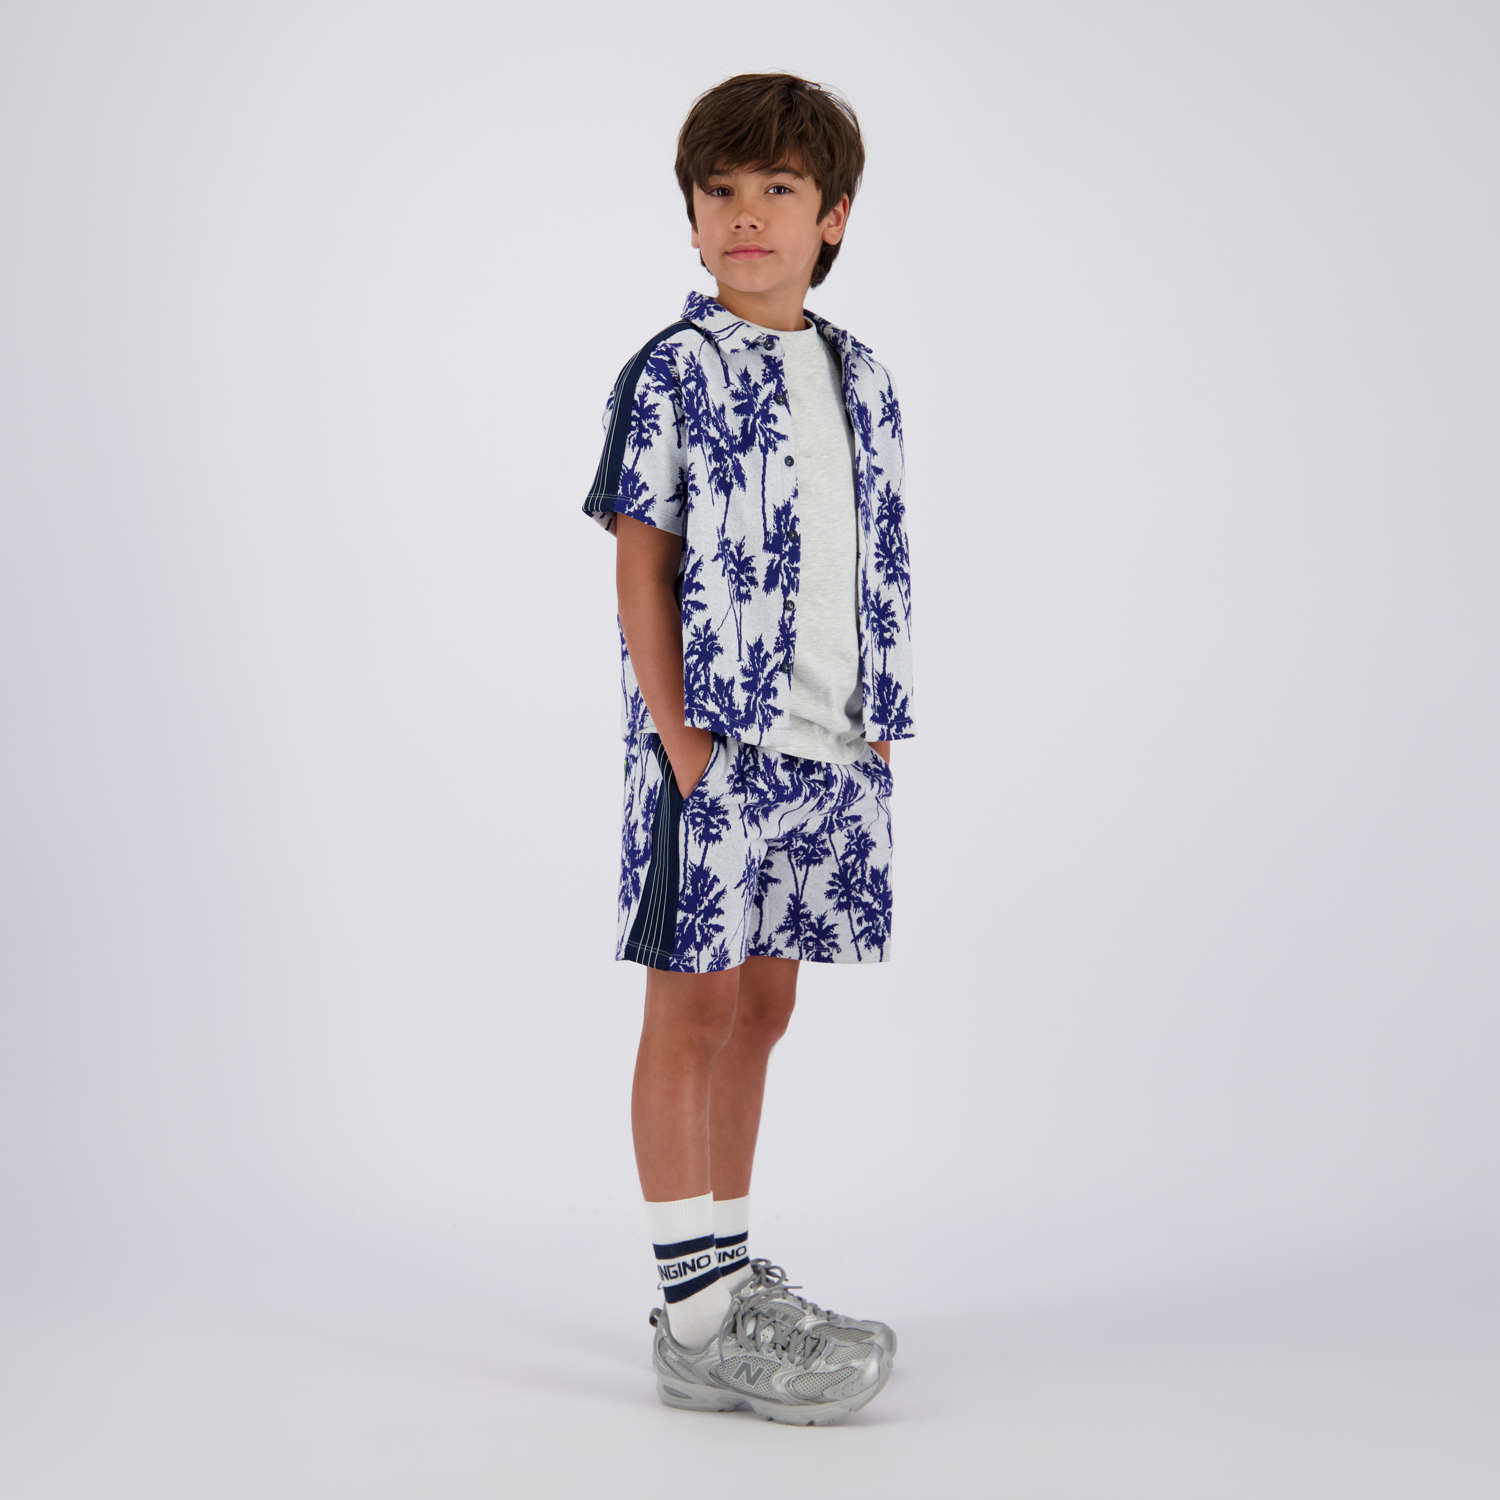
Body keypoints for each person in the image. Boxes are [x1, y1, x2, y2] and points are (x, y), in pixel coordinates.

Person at [581, 72, 915, 1425]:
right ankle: (699, 1314)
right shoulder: (674, 371)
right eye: (719, 192)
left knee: (765, 1008)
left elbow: (876, 551)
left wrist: (877, 723)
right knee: (693, 1005)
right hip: (713, 750)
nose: (746, 216)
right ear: (693, 215)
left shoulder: (863, 375)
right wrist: (683, 745)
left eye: (778, 189)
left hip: (830, 748)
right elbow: (641, 566)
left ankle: (724, 1273)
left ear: (832, 217)